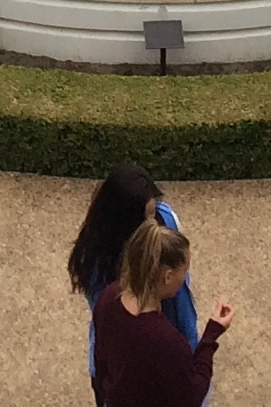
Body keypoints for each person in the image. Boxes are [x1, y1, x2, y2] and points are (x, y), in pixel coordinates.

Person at [69, 165, 196, 398]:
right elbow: (115, 326)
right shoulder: (99, 262)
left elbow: (182, 290)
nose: (153, 224)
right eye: (146, 217)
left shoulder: (163, 218)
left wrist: (192, 345)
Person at [94, 219, 232, 407]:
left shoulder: (109, 297)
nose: (185, 277)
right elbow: (191, 397)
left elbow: (101, 364)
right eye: (184, 271)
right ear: (167, 276)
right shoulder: (166, 341)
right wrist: (210, 336)